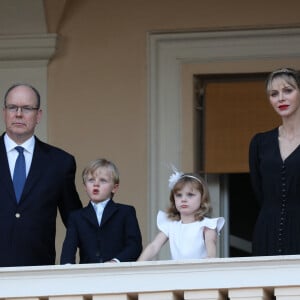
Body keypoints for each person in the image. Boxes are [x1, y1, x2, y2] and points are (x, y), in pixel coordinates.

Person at [0, 83, 82, 267]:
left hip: (37, 273)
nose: (19, 114)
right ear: (4, 112)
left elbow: (76, 221)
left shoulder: (60, 163)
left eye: (27, 108)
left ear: (38, 116)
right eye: (13, 107)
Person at [249, 67, 300, 256]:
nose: (281, 98)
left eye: (288, 90)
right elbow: (258, 190)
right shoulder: (260, 143)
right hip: (266, 229)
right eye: (274, 93)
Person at [60, 158, 143, 264]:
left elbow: (134, 246)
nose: (96, 184)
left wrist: (115, 262)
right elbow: (68, 249)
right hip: (88, 276)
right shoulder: (76, 217)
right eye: (91, 180)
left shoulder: (126, 212)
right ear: (85, 187)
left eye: (102, 180)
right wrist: (67, 271)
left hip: (118, 274)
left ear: (114, 188)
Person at [137, 169, 225, 261]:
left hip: (199, 271)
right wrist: (138, 263)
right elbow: (154, 246)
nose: (183, 199)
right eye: (179, 195)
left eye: (190, 195)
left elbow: (211, 244)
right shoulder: (171, 224)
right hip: (177, 272)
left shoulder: (207, 225)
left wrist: (210, 258)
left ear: (202, 197)